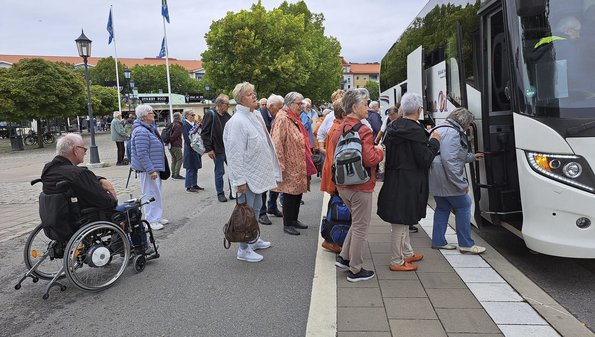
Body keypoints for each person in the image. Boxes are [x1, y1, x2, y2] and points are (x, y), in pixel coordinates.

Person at [377, 93, 441, 271]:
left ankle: (407, 253)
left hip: (393, 178)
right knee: (400, 220)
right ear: (419, 110)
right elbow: (424, 159)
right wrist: (434, 142)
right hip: (409, 181)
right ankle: (396, 261)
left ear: (403, 109)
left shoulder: (393, 126)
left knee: (402, 217)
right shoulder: (417, 131)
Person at [330, 89, 384, 282]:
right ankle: (355, 269)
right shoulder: (364, 129)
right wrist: (380, 152)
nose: (367, 108)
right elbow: (370, 159)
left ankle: (344, 258)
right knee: (361, 227)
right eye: (364, 105)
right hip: (361, 185)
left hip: (343, 184)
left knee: (356, 223)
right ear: (354, 107)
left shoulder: (339, 127)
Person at [223, 82, 280, 263]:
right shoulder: (237, 122)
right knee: (245, 213)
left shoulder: (255, 116)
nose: (254, 96)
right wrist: (239, 180)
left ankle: (253, 239)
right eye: (249, 94)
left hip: (258, 174)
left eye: (254, 92)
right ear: (240, 99)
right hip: (246, 177)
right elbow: (234, 154)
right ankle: (243, 249)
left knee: (255, 209)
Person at [429, 107, 485, 254]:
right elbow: (450, 160)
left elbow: (446, 154)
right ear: (464, 122)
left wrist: (472, 156)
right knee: (464, 205)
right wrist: (461, 184)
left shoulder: (440, 127)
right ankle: (466, 244)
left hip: (435, 176)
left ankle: (438, 241)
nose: (468, 127)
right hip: (446, 178)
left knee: (442, 207)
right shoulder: (453, 133)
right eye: (469, 124)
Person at [271, 92, 317, 236]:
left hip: (297, 163)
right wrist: (280, 164)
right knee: (290, 194)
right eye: (299, 103)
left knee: (297, 193)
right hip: (289, 164)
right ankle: (287, 223)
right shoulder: (283, 118)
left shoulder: (293, 118)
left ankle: (294, 220)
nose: (301, 106)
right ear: (290, 104)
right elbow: (277, 142)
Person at [130, 104, 168, 231]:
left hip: (153, 167)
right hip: (147, 169)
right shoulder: (141, 131)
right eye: (151, 113)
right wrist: (150, 170)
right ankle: (151, 220)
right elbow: (142, 153)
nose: (154, 115)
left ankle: (157, 217)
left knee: (155, 193)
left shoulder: (148, 128)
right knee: (149, 194)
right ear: (145, 116)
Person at [319, 100, 347, 254]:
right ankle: (331, 240)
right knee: (337, 209)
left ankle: (331, 239)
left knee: (335, 206)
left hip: (332, 173)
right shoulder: (339, 129)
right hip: (336, 175)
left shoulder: (335, 126)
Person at [258, 94, 285, 225]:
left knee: (275, 182)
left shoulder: (275, 115)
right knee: (265, 184)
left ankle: (272, 206)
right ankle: (262, 213)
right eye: (279, 108)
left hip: (273, 153)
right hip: (264, 154)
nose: (280, 110)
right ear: (270, 106)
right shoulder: (261, 116)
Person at [202, 95, 232, 201]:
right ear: (219, 104)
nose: (228, 106)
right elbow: (204, 133)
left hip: (228, 149)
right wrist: (209, 149)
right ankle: (220, 193)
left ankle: (233, 191)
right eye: (226, 104)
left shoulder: (227, 115)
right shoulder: (211, 114)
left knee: (233, 170)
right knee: (219, 172)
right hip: (217, 149)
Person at [182, 109, 203, 193]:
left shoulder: (194, 124)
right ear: (187, 115)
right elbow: (187, 138)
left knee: (195, 167)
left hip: (196, 148)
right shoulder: (185, 124)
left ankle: (194, 184)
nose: (194, 117)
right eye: (192, 115)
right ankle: (188, 186)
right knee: (190, 168)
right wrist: (193, 145)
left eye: (194, 115)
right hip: (190, 148)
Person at [169, 112, 184, 180]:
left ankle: (173, 174)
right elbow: (174, 135)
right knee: (180, 159)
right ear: (179, 118)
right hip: (176, 145)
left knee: (174, 159)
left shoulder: (171, 124)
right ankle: (176, 174)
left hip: (170, 145)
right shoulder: (178, 125)